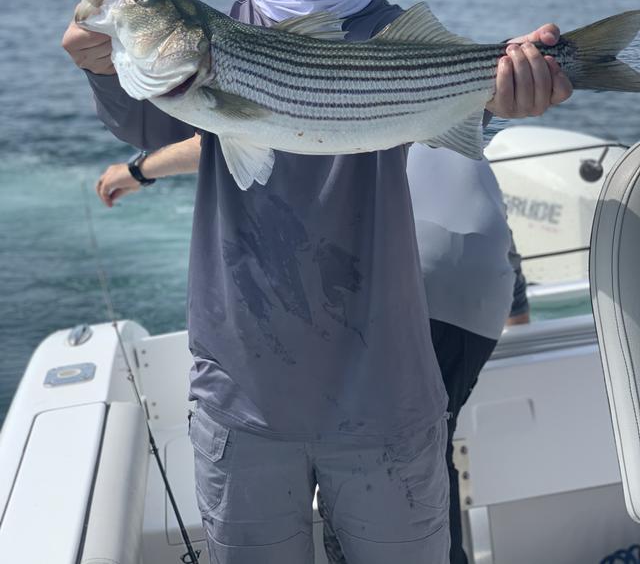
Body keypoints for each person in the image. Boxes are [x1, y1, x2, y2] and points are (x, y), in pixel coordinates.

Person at [62, 0, 571, 564]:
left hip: (386, 386)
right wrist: (100, 61)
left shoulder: (399, 37)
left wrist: (511, 90)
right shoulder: (221, 35)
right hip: (241, 388)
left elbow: (464, 100)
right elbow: (143, 117)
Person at [95, 138, 529, 564]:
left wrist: (139, 170)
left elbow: (229, 141)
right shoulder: (430, 119)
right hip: (487, 280)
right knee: (427, 447)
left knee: (401, 450)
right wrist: (519, 308)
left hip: (401, 277)